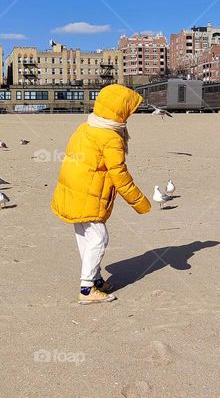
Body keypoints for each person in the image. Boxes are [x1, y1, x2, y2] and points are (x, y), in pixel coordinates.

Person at [50, 84, 152, 304]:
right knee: (98, 237)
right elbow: (119, 174)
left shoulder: (86, 126)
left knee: (85, 236)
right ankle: (86, 290)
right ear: (120, 112)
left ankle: (95, 279)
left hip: (73, 189)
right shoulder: (111, 137)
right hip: (87, 192)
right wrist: (139, 202)